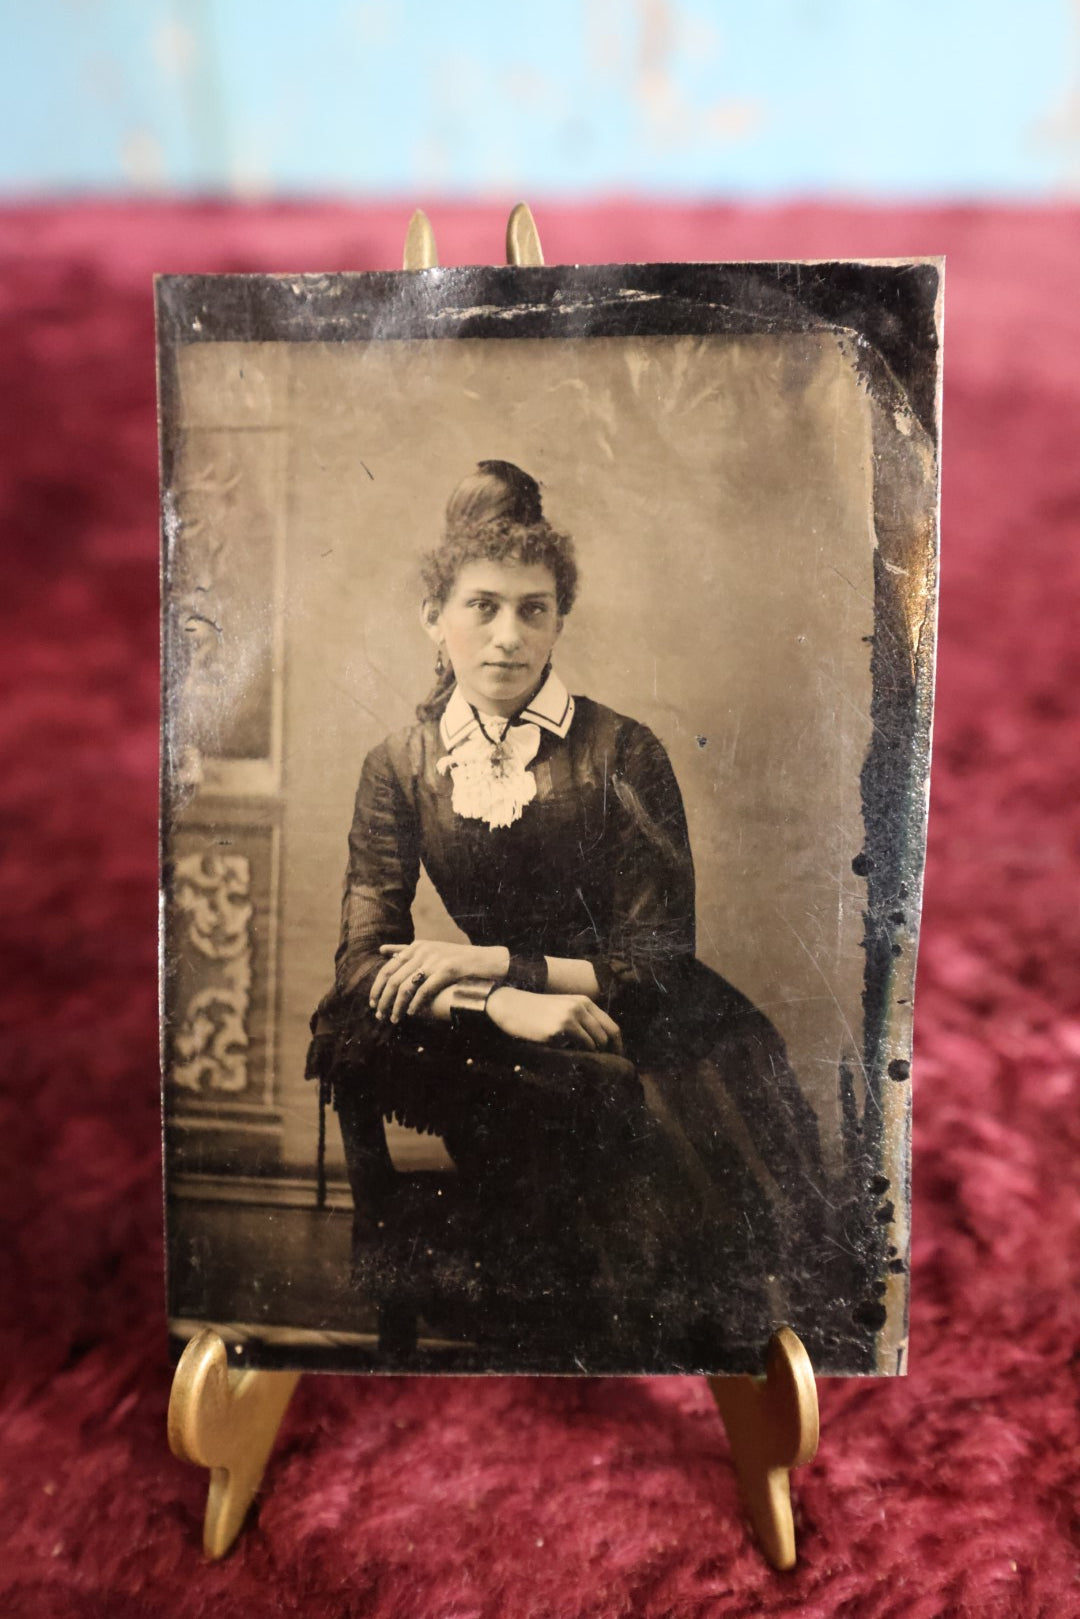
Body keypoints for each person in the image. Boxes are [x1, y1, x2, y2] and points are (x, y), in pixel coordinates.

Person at [307, 460, 825, 1371]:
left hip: (671, 1039)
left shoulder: (623, 749)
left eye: (534, 608)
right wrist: (495, 1002)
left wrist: (492, 967)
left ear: (559, 617)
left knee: (673, 1281)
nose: (508, 636)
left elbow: (658, 963)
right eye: (482, 605)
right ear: (434, 616)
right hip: (532, 1026)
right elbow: (361, 963)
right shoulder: (397, 765)